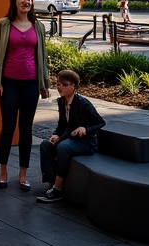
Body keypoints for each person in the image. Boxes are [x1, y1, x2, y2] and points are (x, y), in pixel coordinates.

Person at [0, 0, 50, 191]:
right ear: (14, 1)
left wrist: (44, 84)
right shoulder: (4, 24)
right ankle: (3, 172)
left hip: (31, 84)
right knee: (8, 128)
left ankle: (23, 175)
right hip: (8, 83)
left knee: (26, 130)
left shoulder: (38, 26)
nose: (26, 1)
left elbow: (42, 56)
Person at [37, 69, 105, 203]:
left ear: (73, 86)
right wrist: (56, 134)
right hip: (70, 139)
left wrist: (85, 128)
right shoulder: (62, 102)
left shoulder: (83, 103)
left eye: (64, 84)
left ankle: (58, 189)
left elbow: (100, 122)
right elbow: (62, 124)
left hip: (86, 142)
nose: (59, 87)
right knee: (46, 145)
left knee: (63, 147)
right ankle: (50, 183)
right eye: (57, 84)